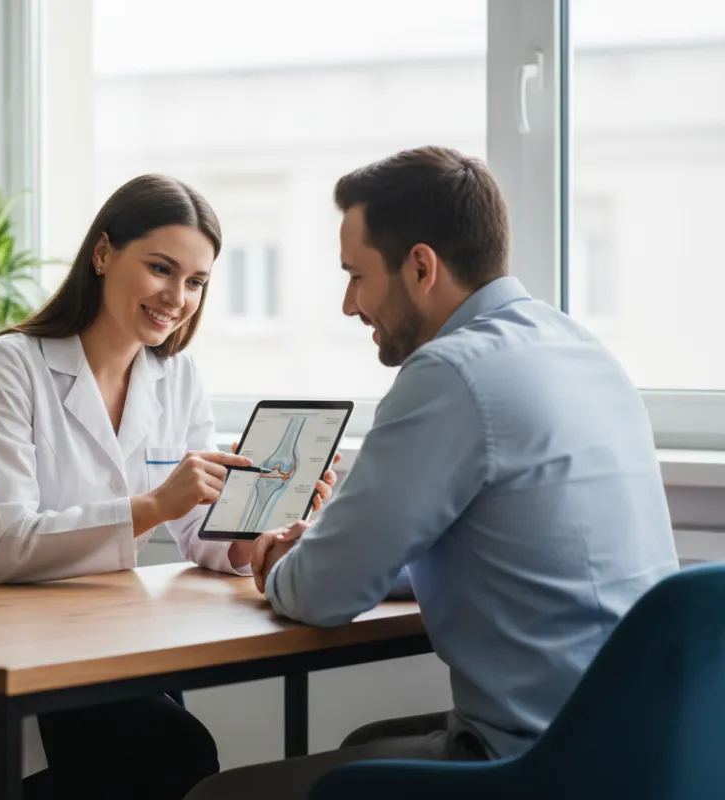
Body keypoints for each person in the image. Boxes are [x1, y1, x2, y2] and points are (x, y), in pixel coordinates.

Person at [186, 146, 679, 799]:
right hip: (647, 748)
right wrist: (349, 557)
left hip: (547, 768)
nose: (347, 305)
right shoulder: (578, 348)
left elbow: (321, 595)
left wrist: (282, 560)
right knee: (364, 747)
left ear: (421, 267)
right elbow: (504, 548)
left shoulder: (452, 372)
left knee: (214, 795)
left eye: (356, 275)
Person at [0, 174, 339, 800]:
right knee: (171, 753)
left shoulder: (174, 375)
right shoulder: (8, 366)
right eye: (161, 268)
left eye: (196, 281)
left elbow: (201, 533)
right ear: (102, 254)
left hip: (95, 646)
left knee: (175, 750)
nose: (177, 296)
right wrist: (153, 505)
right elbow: (6, 548)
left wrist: (259, 521)